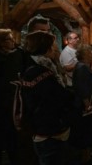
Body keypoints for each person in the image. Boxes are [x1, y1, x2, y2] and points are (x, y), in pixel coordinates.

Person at [20, 31, 73, 165]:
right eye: (53, 45)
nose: (56, 48)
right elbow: (56, 99)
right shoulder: (40, 72)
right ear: (46, 48)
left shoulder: (39, 68)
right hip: (49, 131)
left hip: (47, 129)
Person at [0, 29, 24, 165]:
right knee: (3, 132)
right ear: (1, 43)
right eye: (9, 39)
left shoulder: (13, 56)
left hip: (12, 101)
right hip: (4, 102)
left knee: (10, 133)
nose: (13, 41)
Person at [68, 44, 92, 165]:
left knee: (85, 130)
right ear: (85, 55)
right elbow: (82, 88)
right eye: (90, 52)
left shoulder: (83, 66)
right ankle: (85, 158)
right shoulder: (82, 67)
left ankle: (86, 154)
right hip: (84, 105)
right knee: (85, 131)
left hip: (84, 104)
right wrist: (87, 105)